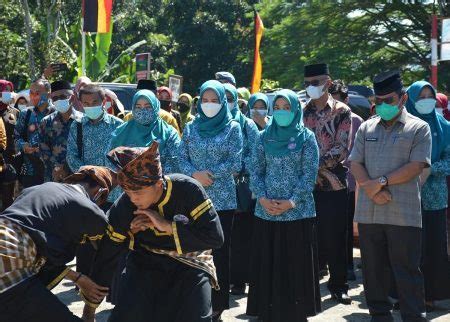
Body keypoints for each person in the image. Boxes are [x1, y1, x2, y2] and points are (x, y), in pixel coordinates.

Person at [85, 142, 224, 322]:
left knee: (195, 316)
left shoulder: (188, 189)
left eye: (139, 194)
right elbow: (108, 252)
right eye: (128, 193)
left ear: (158, 184)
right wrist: (90, 308)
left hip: (190, 263)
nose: (133, 199)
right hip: (146, 262)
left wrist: (167, 226)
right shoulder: (126, 204)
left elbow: (215, 237)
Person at [349, 70, 431, 322]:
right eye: (378, 101)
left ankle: (412, 316)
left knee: (406, 271)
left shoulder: (419, 128)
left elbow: (417, 165)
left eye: (389, 100)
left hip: (403, 214)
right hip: (369, 212)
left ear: (403, 98)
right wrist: (370, 188)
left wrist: (379, 183)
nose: (382, 106)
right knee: (373, 272)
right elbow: (354, 162)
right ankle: (379, 316)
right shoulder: (366, 127)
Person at [0, 166, 114, 322]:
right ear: (100, 193)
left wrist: (78, 278)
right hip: (10, 254)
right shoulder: (89, 209)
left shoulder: (39, 189)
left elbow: (44, 248)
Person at [246, 89, 321, 322]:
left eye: (285, 107)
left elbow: (309, 174)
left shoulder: (307, 138)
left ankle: (296, 313)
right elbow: (255, 170)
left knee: (295, 265)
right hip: (266, 211)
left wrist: (291, 202)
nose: (280, 112)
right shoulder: (262, 137)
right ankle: (266, 312)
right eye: (276, 108)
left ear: (295, 109)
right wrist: (262, 197)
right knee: (267, 263)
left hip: (297, 213)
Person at [178, 80, 243, 321]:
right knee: (193, 252)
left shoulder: (232, 127)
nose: (209, 105)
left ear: (223, 102)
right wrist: (195, 175)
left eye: (215, 100)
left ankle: (217, 305)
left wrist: (210, 175)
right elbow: (180, 157)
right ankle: (194, 301)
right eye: (205, 100)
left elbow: (236, 162)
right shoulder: (192, 126)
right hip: (193, 199)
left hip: (223, 200)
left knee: (219, 252)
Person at [302, 63, 352, 304]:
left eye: (316, 82)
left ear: (328, 82)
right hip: (307, 187)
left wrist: (310, 164)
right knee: (310, 238)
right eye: (307, 83)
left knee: (336, 237)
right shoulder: (301, 112)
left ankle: (339, 285)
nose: (312, 87)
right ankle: (309, 284)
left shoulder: (342, 111)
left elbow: (341, 149)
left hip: (334, 186)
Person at [405, 81, 450, 310]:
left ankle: (431, 295)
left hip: (434, 198)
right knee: (408, 248)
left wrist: (431, 168)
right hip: (405, 196)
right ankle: (407, 295)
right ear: (411, 99)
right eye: (420, 96)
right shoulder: (402, 127)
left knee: (432, 247)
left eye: (428, 95)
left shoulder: (445, 126)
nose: (425, 100)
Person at [108, 89, 181, 199]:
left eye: (147, 106)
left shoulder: (169, 133)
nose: (143, 110)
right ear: (133, 108)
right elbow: (109, 159)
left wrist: (150, 182)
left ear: (156, 107)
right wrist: (128, 180)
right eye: (138, 107)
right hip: (126, 194)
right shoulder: (121, 131)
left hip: (158, 194)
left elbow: (176, 162)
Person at [223, 83, 259, 295]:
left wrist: (238, 167)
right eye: (222, 97)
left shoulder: (247, 124)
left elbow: (256, 154)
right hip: (215, 188)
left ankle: (238, 280)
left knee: (240, 238)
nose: (225, 101)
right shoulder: (206, 124)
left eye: (229, 97)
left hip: (242, 187)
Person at [329, 79, 363, 281]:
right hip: (326, 182)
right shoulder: (321, 119)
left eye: (338, 100)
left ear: (346, 100)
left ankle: (348, 265)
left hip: (350, 183)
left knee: (347, 229)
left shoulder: (357, 121)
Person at [66, 84, 123, 195]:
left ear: (103, 101)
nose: (90, 106)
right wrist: (89, 176)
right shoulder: (77, 125)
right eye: (86, 103)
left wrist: (106, 177)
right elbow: (71, 156)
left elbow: (123, 158)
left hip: (113, 191)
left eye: (94, 102)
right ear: (81, 103)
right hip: (87, 190)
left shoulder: (118, 125)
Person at [39, 80, 83, 182]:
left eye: (63, 97)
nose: (59, 100)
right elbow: (43, 150)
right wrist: (58, 167)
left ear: (72, 98)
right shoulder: (46, 122)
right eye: (55, 98)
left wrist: (68, 168)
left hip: (78, 175)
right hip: (54, 176)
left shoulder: (83, 121)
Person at [14, 78, 54, 188]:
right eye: (31, 93)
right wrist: (24, 146)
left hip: (54, 172)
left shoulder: (58, 113)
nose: (33, 96)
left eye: (38, 93)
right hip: (30, 170)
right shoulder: (25, 114)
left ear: (48, 94)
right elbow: (16, 137)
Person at [0, 80, 19, 210]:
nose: (8, 93)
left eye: (9, 90)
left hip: (10, 161)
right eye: (4, 90)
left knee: (9, 200)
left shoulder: (15, 112)